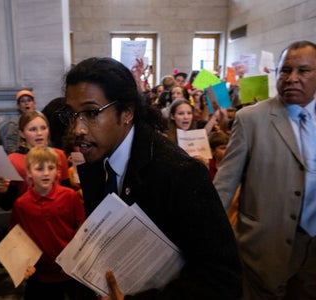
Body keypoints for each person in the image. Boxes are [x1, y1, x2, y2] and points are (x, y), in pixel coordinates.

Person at [59, 57, 242, 299]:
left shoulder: (180, 172)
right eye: (72, 115)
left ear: (126, 112)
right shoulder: (93, 160)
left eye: (92, 113)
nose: (78, 128)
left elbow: (222, 278)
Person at [213, 40, 316, 299]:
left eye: (303, 71)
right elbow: (224, 186)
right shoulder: (251, 120)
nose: (292, 78)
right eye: (285, 70)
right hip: (261, 253)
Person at [8, 145, 85, 300]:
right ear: (29, 172)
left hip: (70, 270)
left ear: (57, 171)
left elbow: (82, 227)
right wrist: (23, 265)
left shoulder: (69, 196)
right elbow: (15, 237)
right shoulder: (21, 204)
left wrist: (75, 258)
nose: (45, 173)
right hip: (40, 274)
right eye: (39, 169)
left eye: (50, 168)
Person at [0, 110, 70, 211]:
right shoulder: (13, 160)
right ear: (22, 133)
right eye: (33, 129)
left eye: (43, 128)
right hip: (27, 214)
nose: (39, 133)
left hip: (57, 213)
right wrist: (3, 191)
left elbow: (67, 192)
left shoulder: (59, 155)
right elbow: (6, 205)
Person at [2, 89, 36, 154]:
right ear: (18, 106)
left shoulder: (41, 119)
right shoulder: (14, 123)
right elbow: (10, 144)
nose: (26, 103)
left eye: (29, 100)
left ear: (34, 103)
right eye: (23, 101)